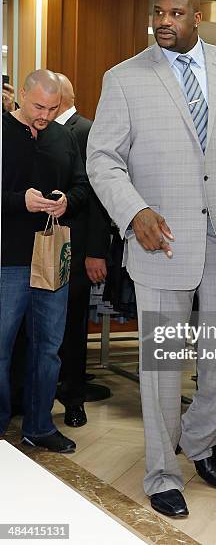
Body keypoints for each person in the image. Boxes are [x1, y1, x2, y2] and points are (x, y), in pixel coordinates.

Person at [87, 0, 216, 517]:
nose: (163, 21)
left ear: (198, 16)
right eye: (157, 12)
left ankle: (202, 439)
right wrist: (133, 211)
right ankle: (163, 472)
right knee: (163, 367)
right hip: (161, 241)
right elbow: (102, 160)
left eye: (174, 13)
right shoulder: (124, 79)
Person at [0, 69, 89, 452]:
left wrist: (68, 200)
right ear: (21, 94)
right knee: (1, 346)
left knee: (49, 346)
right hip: (8, 259)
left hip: (53, 255)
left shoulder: (62, 137)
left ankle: (39, 425)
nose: (45, 115)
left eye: (53, 108)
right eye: (38, 106)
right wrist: (21, 200)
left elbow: (84, 186)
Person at [55, 74, 111, 428]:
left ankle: (73, 399)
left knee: (73, 328)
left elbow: (99, 198)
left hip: (76, 250)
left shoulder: (87, 130)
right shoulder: (35, 132)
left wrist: (95, 251)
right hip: (41, 247)